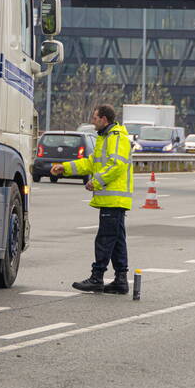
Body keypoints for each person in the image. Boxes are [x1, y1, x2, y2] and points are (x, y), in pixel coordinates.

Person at [51, 104, 133, 294]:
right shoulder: (105, 138)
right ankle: (121, 280)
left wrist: (96, 182)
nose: (92, 121)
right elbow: (90, 163)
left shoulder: (116, 137)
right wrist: (66, 167)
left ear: (104, 119)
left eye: (95, 118)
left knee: (104, 239)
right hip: (112, 199)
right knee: (117, 240)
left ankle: (97, 277)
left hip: (113, 198)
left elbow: (117, 166)